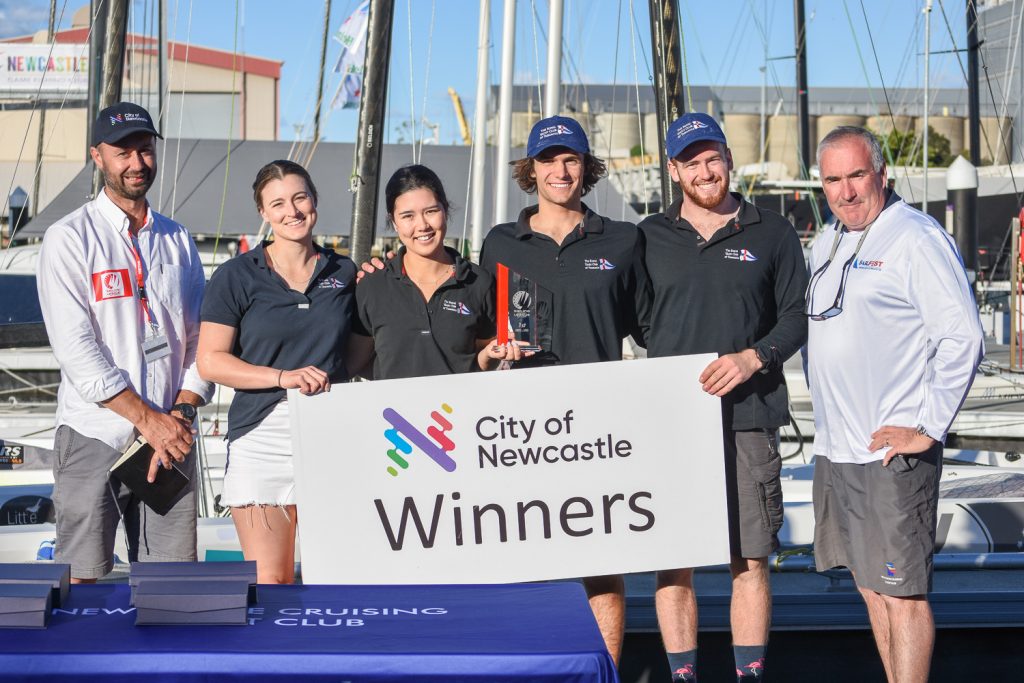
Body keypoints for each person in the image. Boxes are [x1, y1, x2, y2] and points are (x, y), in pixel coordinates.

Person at [806, 126, 983, 683]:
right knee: (870, 590)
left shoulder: (915, 237)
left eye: (857, 175)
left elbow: (963, 337)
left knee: (903, 596)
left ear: (882, 174)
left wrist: (928, 427)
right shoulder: (826, 241)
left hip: (892, 455)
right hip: (837, 448)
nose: (846, 191)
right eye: (833, 179)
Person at [637, 113, 808, 682]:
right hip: (671, 426)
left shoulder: (773, 231)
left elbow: (796, 318)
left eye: (713, 158)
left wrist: (751, 358)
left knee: (750, 559)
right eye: (692, 161)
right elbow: (634, 318)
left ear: (729, 160)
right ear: (674, 170)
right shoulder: (648, 237)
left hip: (749, 419)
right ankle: (683, 676)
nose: (705, 171)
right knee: (672, 561)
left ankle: (749, 676)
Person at [478, 115, 651, 665]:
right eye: (549, 160)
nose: (561, 170)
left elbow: (653, 326)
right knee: (525, 560)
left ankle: (603, 673)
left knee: (601, 563)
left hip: (598, 426)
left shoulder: (623, 239)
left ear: (587, 167)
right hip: (521, 426)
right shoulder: (501, 242)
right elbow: (478, 328)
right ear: (530, 169)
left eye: (571, 159)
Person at [37, 102, 212, 583]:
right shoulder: (69, 238)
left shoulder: (177, 238)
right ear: (98, 156)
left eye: (145, 150)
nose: (137, 163)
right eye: (123, 152)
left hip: (170, 436)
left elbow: (201, 336)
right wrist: (147, 420)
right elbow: (77, 350)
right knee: (81, 577)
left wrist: (179, 414)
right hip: (96, 432)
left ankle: (168, 661)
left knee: (172, 583)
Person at [196, 160, 358, 584]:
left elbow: (362, 355)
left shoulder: (346, 272)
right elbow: (211, 360)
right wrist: (282, 377)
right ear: (264, 213)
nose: (293, 211)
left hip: (330, 436)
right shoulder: (235, 276)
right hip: (261, 439)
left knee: (337, 577)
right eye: (278, 203)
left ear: (315, 202)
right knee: (273, 581)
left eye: (300, 198)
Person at [350, 165, 523, 378]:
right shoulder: (373, 285)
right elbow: (355, 363)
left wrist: (489, 356)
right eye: (407, 216)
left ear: (445, 210)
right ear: (394, 222)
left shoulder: (479, 282)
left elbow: (479, 361)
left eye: (431, 211)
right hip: (394, 411)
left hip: (459, 409)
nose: (422, 225)